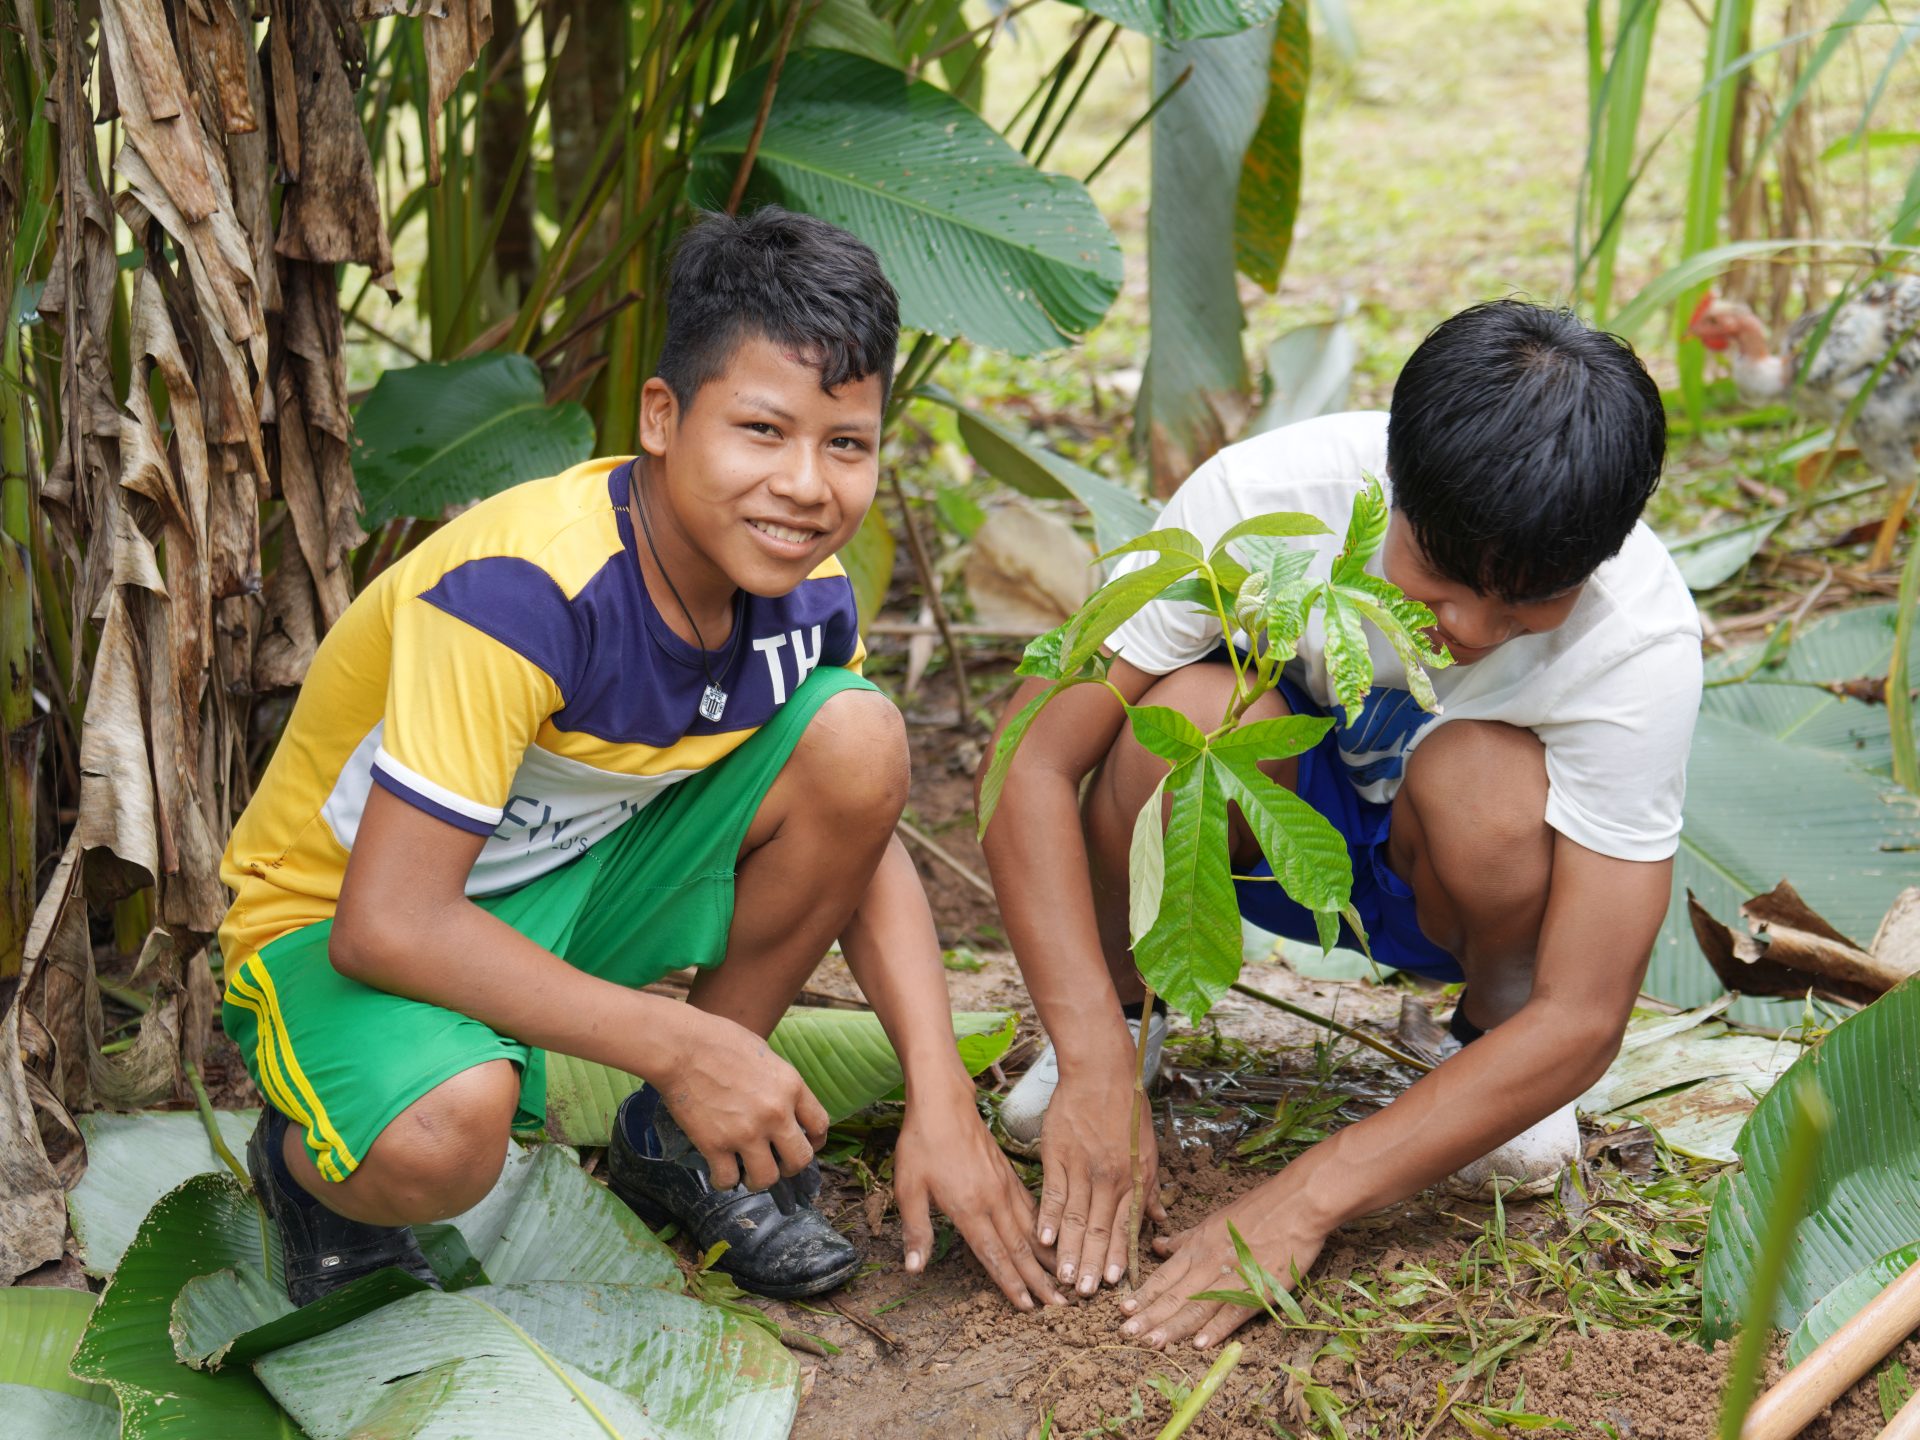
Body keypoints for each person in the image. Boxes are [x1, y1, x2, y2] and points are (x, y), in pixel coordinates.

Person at [219, 206, 1060, 1313]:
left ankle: (674, 1146)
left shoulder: (802, 588)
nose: (808, 486)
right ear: (662, 417)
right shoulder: (522, 591)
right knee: (441, 1135)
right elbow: (392, 922)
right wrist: (677, 1038)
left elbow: (858, 832)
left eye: (844, 444)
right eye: (762, 430)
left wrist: (939, 1090)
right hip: (344, 925)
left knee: (856, 732)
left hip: (564, 887)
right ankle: (313, 1185)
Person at [980, 300, 1701, 1349]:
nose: (1466, 634)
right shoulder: (1262, 503)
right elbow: (1031, 761)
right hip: (1276, 826)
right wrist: (1089, 1054)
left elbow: (1587, 1013)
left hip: (1447, 872)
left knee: (1487, 790)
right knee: (1175, 722)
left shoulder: (1640, 638)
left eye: (1525, 608)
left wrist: (1302, 1202)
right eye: (1443, 588)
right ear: (1395, 489)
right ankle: (1134, 1021)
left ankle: (1489, 1056)